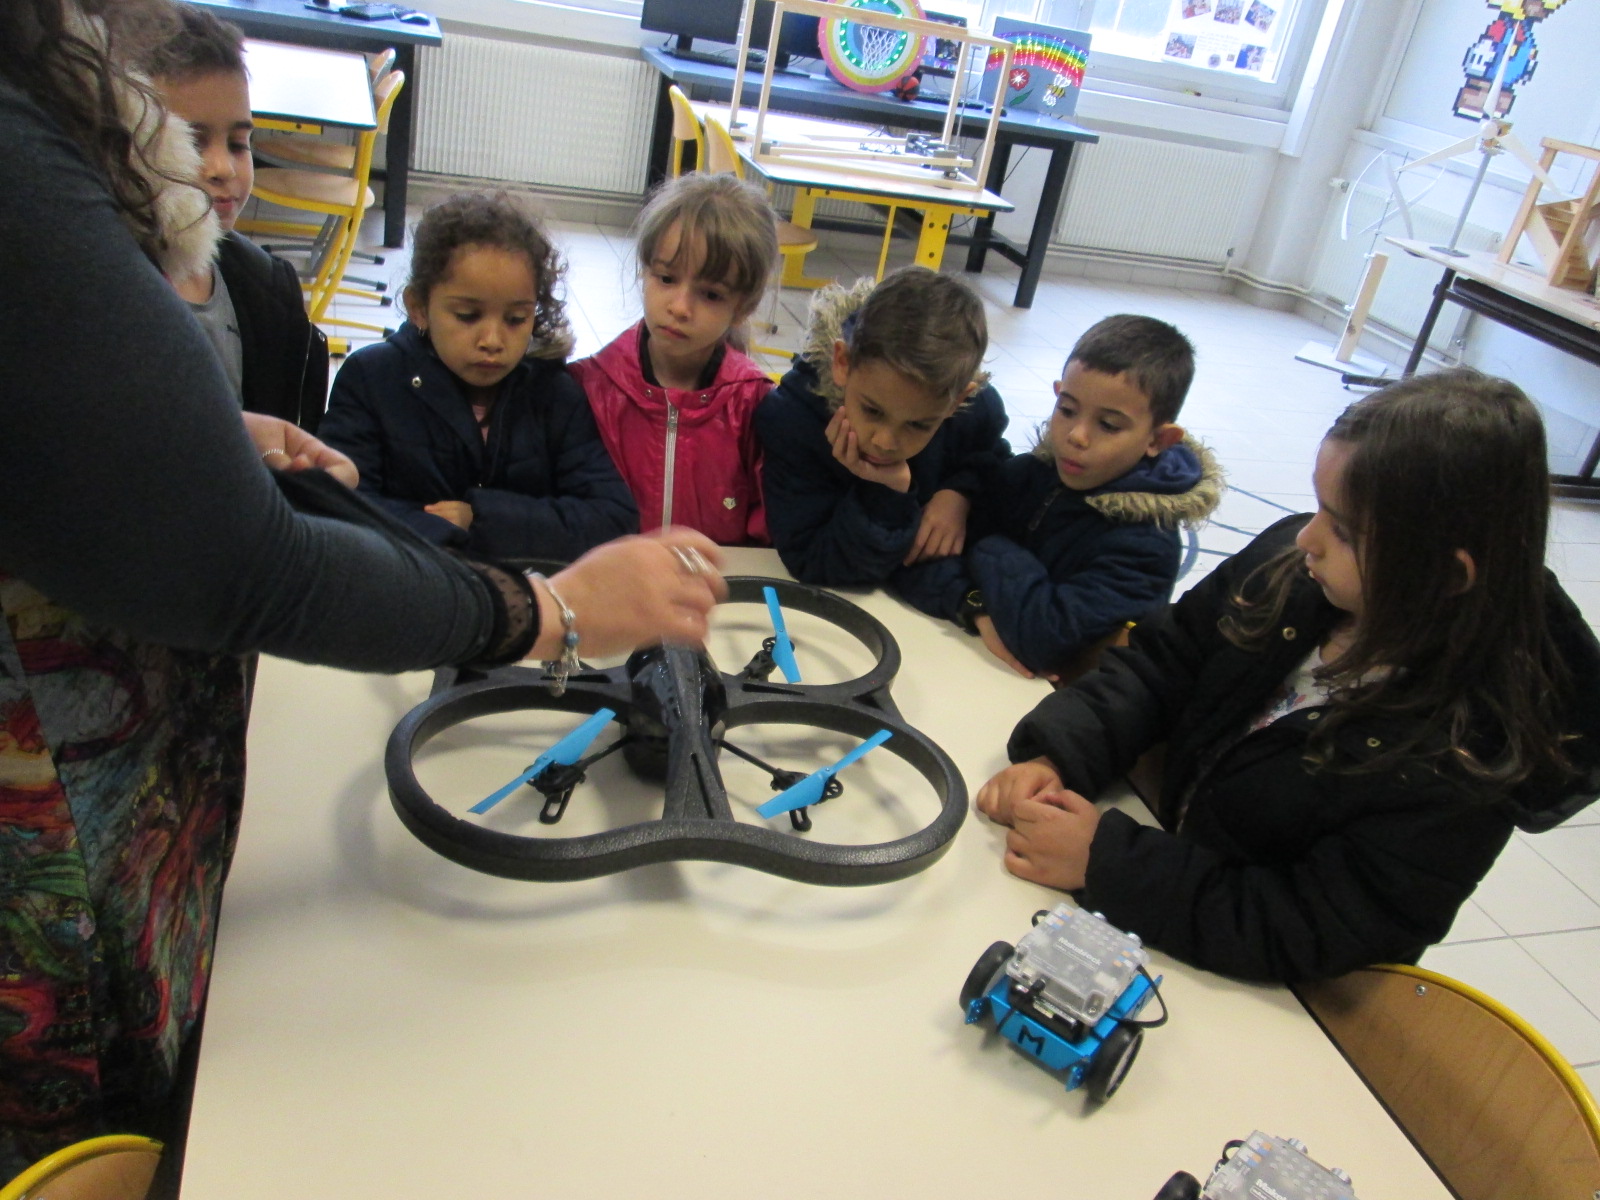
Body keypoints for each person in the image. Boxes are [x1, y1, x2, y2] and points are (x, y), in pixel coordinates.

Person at [0, 0, 720, 1178]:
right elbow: (256, 567)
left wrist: (203, 440)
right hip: (59, 807)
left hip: (122, 752)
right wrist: (553, 612)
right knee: (115, 1105)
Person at [975, 370, 1600, 983]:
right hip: (1163, 889)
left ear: (1446, 575)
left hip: (1240, 980)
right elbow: (1163, 662)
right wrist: (1062, 751)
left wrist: (1109, 863)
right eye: (1319, 506)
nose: (1307, 537)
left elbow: (1312, 926)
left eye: (1344, 531)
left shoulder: (1468, 756)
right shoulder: (1292, 572)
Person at [895, 315, 1223, 680]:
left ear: (1158, 440)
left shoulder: (1146, 546)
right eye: (1067, 410)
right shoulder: (1027, 475)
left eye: (1108, 425)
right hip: (967, 664)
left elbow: (1042, 641)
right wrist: (976, 607)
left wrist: (988, 550)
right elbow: (909, 559)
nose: (1076, 436)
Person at [319, 192, 639, 560]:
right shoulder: (371, 379)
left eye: (516, 319)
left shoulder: (554, 393)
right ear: (419, 307)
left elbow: (613, 518)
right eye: (468, 316)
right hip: (409, 581)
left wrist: (483, 518)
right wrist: (446, 533)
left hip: (525, 588)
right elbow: (338, 504)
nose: (493, 341)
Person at [755, 267, 1011, 586]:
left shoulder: (974, 411)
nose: (885, 442)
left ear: (957, 401)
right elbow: (811, 559)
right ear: (842, 363)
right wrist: (886, 492)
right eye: (872, 410)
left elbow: (991, 462)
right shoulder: (793, 420)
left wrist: (960, 493)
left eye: (917, 424)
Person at [143, 5, 329, 430]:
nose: (223, 168)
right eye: (194, 141)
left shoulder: (270, 288)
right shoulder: (108, 289)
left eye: (238, 144)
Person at [569, 173, 778, 544]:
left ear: (743, 307)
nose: (680, 307)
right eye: (666, 278)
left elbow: (768, 534)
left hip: (717, 580)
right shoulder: (586, 388)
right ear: (644, 271)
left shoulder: (755, 404)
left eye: (711, 294)